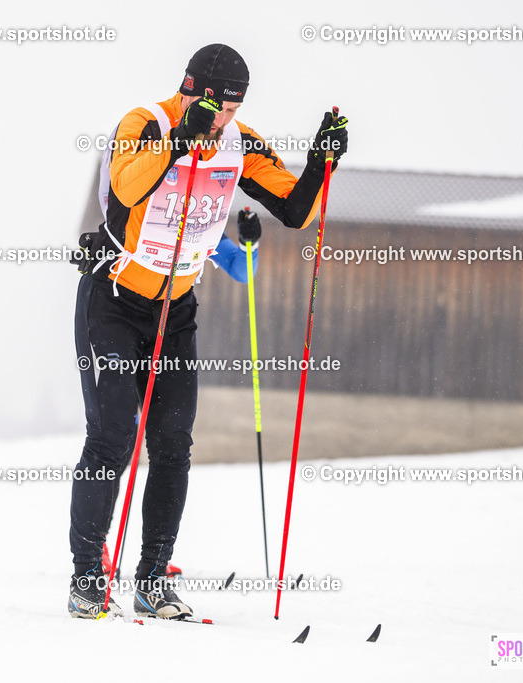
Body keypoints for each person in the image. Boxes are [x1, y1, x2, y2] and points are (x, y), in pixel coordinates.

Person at [67, 43, 348, 619]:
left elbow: (296, 210)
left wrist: (323, 160)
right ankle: (87, 579)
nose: (226, 119)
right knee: (113, 437)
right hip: (114, 301)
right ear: (193, 88)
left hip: (176, 307)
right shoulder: (147, 121)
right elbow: (125, 187)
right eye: (220, 106)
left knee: (173, 446)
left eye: (236, 107)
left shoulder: (238, 142)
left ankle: (152, 578)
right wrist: (180, 139)